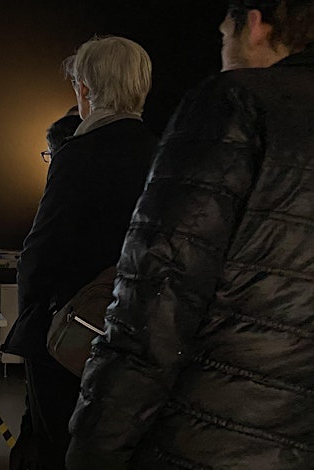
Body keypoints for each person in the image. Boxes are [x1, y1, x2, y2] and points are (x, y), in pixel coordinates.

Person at [67, 2, 314, 468]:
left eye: (225, 38)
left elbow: (157, 297)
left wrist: (94, 446)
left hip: (215, 431)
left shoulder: (235, 103)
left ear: (256, 26)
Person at [1, 36, 157, 470]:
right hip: (136, 324)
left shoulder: (79, 154)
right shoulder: (164, 153)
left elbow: (43, 249)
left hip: (68, 329)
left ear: (85, 90)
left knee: (50, 440)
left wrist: (31, 308)